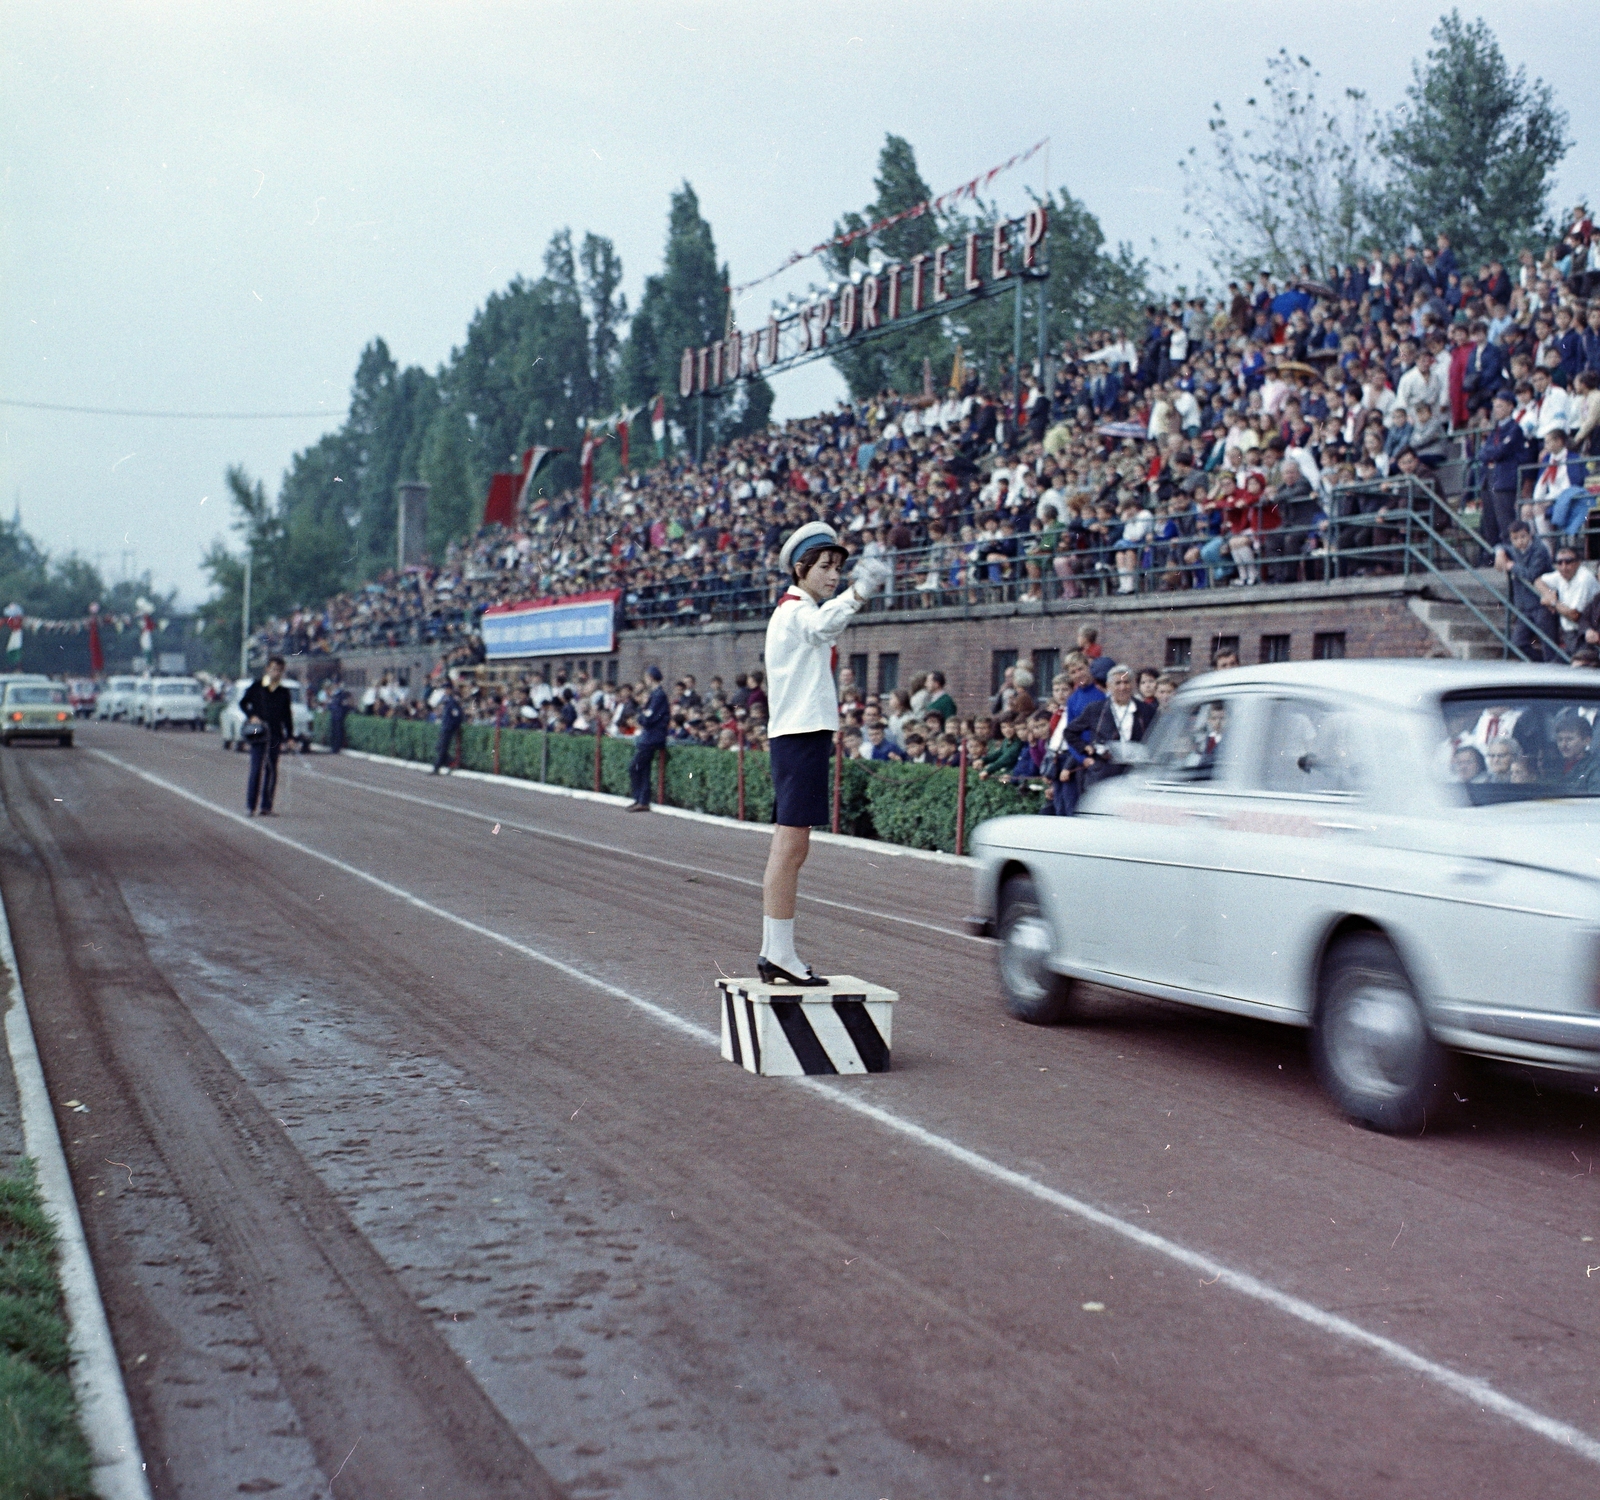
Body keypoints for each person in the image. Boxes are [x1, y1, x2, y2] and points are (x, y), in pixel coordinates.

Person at [759, 523, 890, 985]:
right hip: (798, 735)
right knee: (790, 848)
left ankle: (776, 951)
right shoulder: (797, 612)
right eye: (825, 567)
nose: (833, 574)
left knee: (793, 848)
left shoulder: (798, 609)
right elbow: (822, 626)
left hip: (802, 734)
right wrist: (858, 592)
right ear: (801, 570)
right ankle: (777, 953)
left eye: (838, 567)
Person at [1067, 664, 1157, 790]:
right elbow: (1070, 732)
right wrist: (1085, 749)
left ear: (1132, 685)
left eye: (1126, 682)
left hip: (1136, 776)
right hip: (1103, 776)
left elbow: (1156, 738)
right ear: (1109, 686)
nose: (1122, 687)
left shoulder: (1146, 711)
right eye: (1118, 683)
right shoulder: (1095, 710)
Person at [238, 655, 293, 815]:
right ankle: (251, 805)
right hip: (258, 732)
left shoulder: (283, 692)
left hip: (275, 733)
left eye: (279, 670)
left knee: (271, 769)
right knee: (256, 768)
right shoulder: (256, 686)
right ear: (267, 669)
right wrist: (251, 715)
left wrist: (290, 736)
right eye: (274, 669)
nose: (276, 673)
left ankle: (266, 806)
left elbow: (287, 716)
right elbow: (243, 703)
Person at [626, 666, 670, 811]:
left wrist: (642, 718)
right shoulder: (656, 694)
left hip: (652, 737)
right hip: (650, 737)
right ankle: (641, 800)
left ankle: (641, 798)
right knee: (643, 769)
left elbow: (650, 717)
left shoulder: (658, 695)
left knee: (635, 767)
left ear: (650, 677)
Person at [431, 679, 464, 774]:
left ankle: (436, 768)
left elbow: (457, 715)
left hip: (448, 728)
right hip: (444, 727)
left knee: (442, 748)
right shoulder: (446, 700)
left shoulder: (452, 701)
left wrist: (452, 726)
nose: (445, 690)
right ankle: (450, 762)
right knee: (439, 747)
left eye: (446, 688)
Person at [326, 676, 348, 754]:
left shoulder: (342, 694)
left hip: (339, 715)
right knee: (333, 732)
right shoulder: (333, 694)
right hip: (333, 715)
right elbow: (330, 704)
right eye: (334, 683)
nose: (335, 685)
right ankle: (333, 747)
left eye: (336, 683)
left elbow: (344, 705)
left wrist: (341, 713)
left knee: (338, 732)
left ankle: (337, 747)